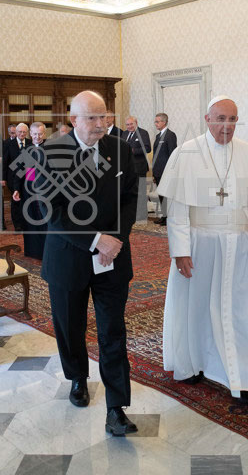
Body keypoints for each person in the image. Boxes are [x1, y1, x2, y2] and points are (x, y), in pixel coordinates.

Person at [157, 96, 248, 410]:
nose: (227, 125)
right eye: (220, 118)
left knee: (238, 311)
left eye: (232, 119)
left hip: (237, 246)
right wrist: (180, 250)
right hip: (200, 244)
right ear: (207, 119)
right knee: (196, 307)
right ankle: (193, 363)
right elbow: (178, 209)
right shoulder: (186, 153)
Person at [38, 91, 139, 436]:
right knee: (70, 327)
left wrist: (115, 240)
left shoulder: (120, 149)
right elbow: (51, 211)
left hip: (113, 259)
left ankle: (116, 408)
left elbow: (130, 200)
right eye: (92, 118)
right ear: (73, 120)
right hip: (68, 259)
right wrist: (97, 240)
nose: (100, 124)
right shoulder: (51, 153)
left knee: (113, 331)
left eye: (104, 116)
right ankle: (77, 377)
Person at [12, 122, 47, 259]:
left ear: (44, 134)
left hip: (46, 191)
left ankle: (47, 251)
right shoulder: (25, 150)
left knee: (45, 221)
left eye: (40, 134)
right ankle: (34, 251)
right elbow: (19, 172)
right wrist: (16, 189)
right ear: (30, 134)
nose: (37, 137)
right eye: (35, 134)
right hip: (29, 191)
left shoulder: (49, 149)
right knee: (30, 220)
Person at [3, 123, 32, 231]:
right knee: (16, 200)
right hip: (12, 177)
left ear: (27, 133)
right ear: (16, 132)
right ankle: (17, 224)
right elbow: (5, 162)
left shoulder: (30, 143)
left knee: (27, 199)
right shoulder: (8, 144)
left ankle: (26, 222)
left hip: (28, 176)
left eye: (24, 132)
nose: (22, 134)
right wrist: (3, 178)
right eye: (20, 132)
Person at [122, 116, 151, 221]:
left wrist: (133, 150)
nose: (129, 126)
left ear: (136, 123)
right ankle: (132, 213)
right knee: (130, 192)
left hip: (139, 168)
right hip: (127, 169)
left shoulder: (143, 133)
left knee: (141, 192)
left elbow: (147, 148)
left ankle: (142, 215)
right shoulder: (124, 134)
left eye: (131, 124)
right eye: (127, 124)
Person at [152, 113, 177, 226]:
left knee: (167, 195)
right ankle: (164, 216)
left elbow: (172, 154)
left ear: (164, 122)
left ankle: (169, 217)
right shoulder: (158, 136)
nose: (155, 124)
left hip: (165, 171)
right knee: (161, 195)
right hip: (157, 171)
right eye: (155, 121)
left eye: (157, 121)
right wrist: (154, 172)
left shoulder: (170, 135)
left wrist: (170, 172)